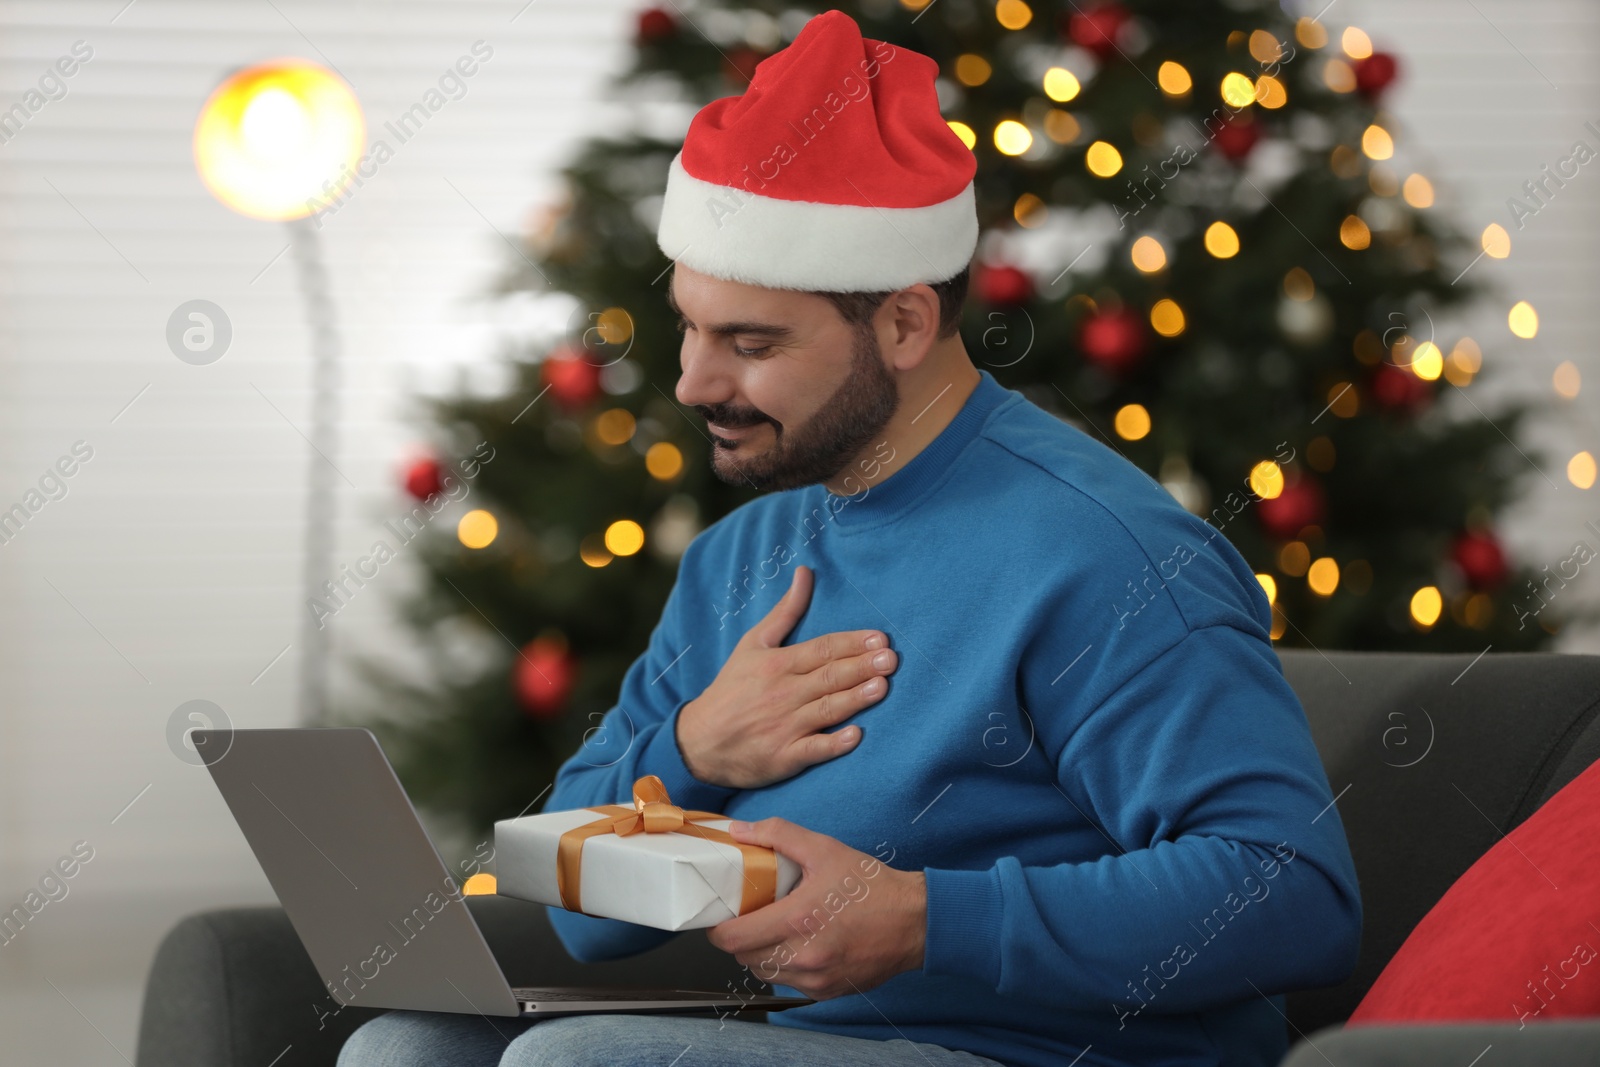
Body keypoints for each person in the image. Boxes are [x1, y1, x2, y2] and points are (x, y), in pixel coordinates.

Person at [339, 9, 1361, 1067]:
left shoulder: (1104, 555)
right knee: (403, 1048)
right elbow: (586, 918)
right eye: (690, 326)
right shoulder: (742, 558)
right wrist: (693, 749)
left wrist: (923, 916)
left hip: (1053, 1056)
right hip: (828, 1046)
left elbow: (1293, 889)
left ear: (906, 325)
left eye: (751, 342)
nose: (693, 382)